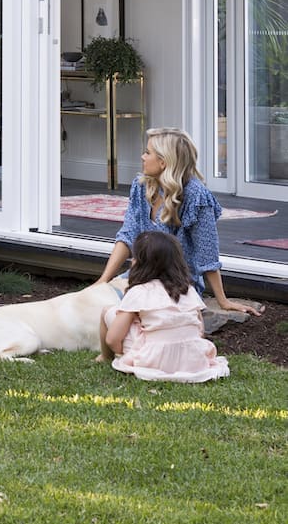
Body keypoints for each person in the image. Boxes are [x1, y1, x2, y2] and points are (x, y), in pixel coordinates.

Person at [91, 126, 263, 317]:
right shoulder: (141, 185)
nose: (143, 157)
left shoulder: (197, 197)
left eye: (148, 153)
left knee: (121, 312)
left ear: (163, 162)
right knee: (97, 303)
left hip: (175, 285)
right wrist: (103, 280)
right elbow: (127, 235)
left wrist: (222, 301)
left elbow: (208, 255)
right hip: (140, 277)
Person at [99, 229, 229, 382]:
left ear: (139, 263)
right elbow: (200, 331)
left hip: (152, 360)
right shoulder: (188, 290)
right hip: (193, 360)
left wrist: (124, 354)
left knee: (109, 311)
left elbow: (112, 339)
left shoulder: (139, 292)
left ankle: (105, 356)